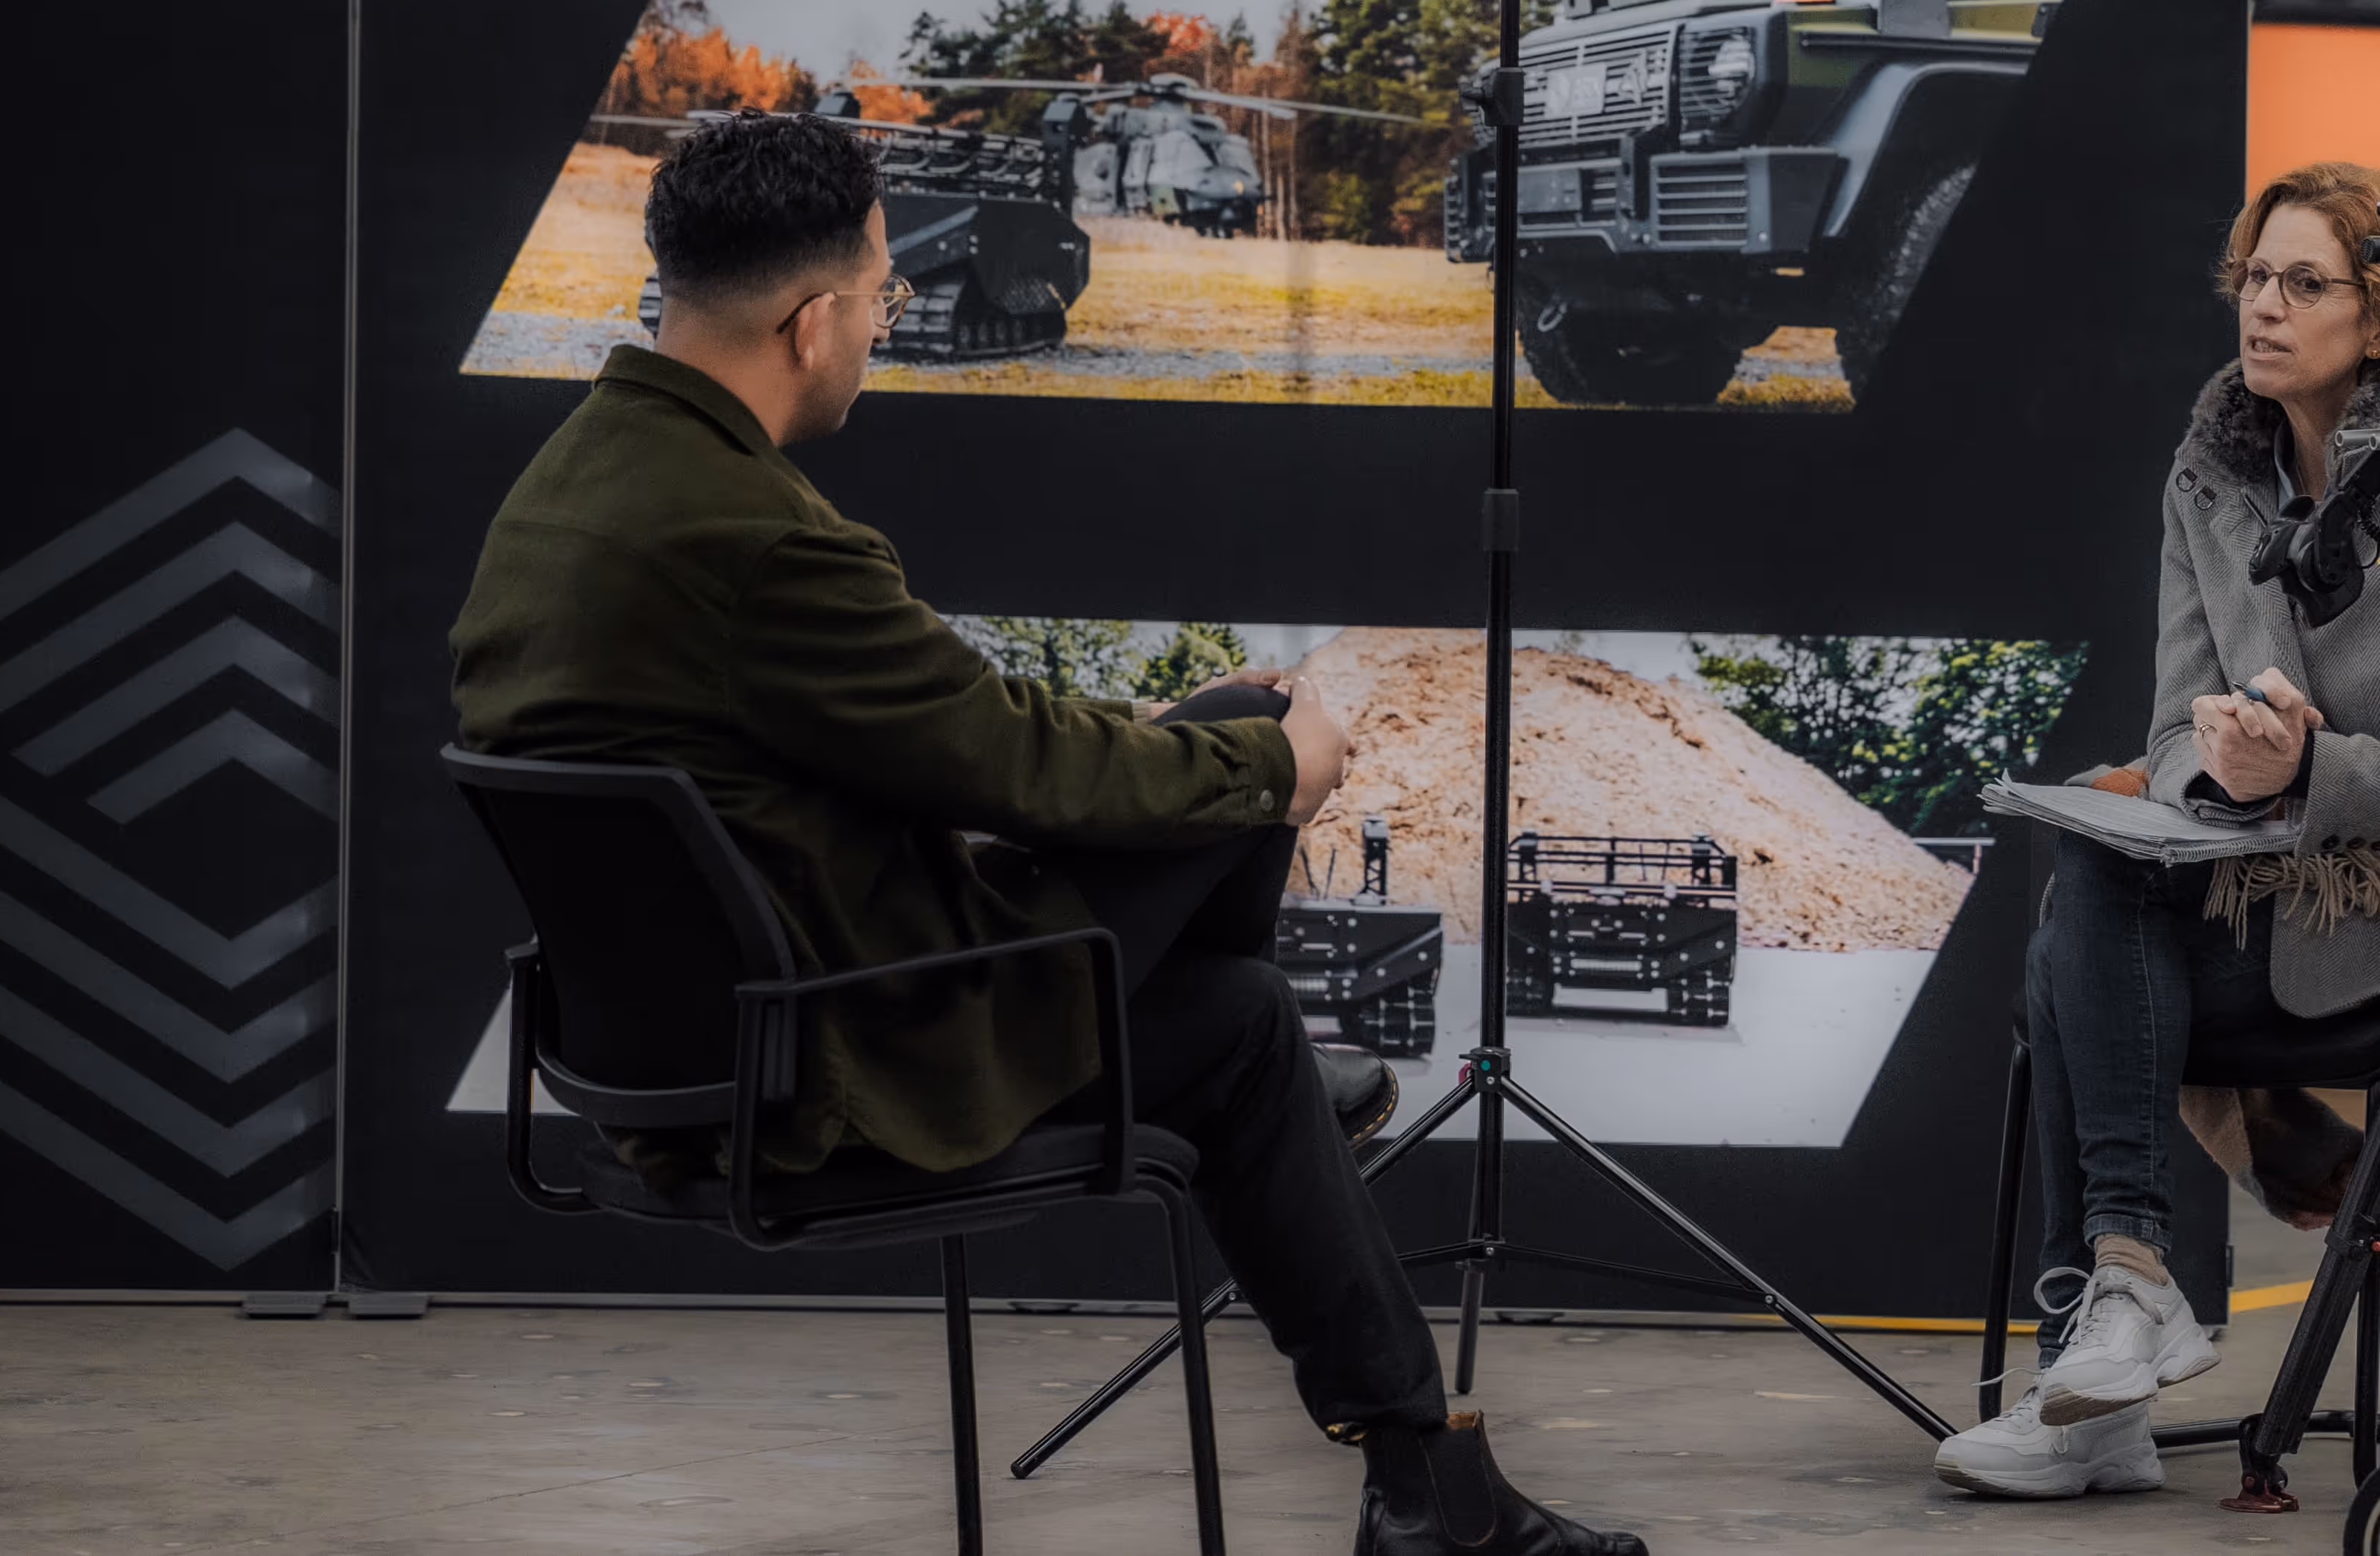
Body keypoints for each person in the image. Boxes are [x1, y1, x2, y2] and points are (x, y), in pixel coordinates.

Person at [449, 110, 1639, 1556]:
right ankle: (1420, 1480)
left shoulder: (567, 491)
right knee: (1248, 894)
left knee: (1226, 887)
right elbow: (1013, 767)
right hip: (845, 1054)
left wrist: (1205, 739)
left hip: (688, 1043)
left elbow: (913, 743)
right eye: (886, 297)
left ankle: (1412, 1460)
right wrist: (1277, 765)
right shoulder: (756, 533)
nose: (886, 327)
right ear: (814, 320)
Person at [1934, 162, 2380, 1501]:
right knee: (2095, 847)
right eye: (2253, 278)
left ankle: (2098, 1376)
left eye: (2302, 283)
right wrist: (2214, 775)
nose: (2262, 307)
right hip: (2246, 893)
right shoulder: (2208, 475)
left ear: (2378, 317)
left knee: (2058, 969)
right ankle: (2127, 1308)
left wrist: (2307, 774)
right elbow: (2165, 737)